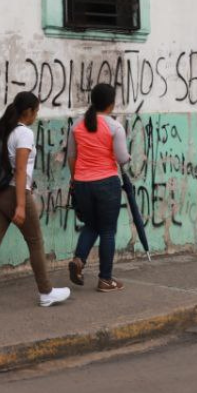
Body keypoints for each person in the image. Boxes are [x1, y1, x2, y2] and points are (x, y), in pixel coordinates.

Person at [0, 92, 71, 312]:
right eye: (36, 111)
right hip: (13, 193)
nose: (37, 115)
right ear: (28, 112)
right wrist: (19, 204)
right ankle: (46, 292)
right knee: (36, 242)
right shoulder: (24, 134)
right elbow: (20, 170)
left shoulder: (4, 131)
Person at [67, 83, 130, 292]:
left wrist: (75, 180)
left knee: (92, 225)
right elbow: (122, 158)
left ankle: (79, 260)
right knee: (108, 230)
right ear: (111, 104)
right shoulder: (115, 127)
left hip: (82, 183)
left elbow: (71, 157)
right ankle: (105, 279)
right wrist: (128, 156)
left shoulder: (76, 125)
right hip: (107, 184)